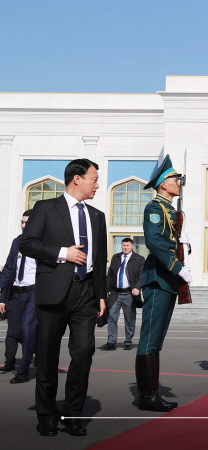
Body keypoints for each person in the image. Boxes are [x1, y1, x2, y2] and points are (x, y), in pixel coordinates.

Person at [19, 158, 108, 437]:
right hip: (54, 292)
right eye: (94, 178)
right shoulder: (45, 208)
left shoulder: (97, 216)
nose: (97, 184)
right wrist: (63, 253)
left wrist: (101, 295)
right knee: (47, 356)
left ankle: (72, 414)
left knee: (83, 354)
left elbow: (100, 258)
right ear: (77, 179)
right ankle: (46, 416)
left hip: (86, 294)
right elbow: (28, 243)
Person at [135, 155, 192, 412]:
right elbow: (155, 242)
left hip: (167, 279)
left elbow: (169, 241)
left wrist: (182, 244)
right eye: (174, 179)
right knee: (149, 339)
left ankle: (153, 392)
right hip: (158, 277)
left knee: (157, 339)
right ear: (162, 183)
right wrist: (177, 267)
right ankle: (146, 396)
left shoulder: (171, 209)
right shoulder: (155, 208)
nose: (178, 182)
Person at [0, 210, 38, 383]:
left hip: (34, 292)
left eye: (27, 223)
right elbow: (9, 267)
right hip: (16, 292)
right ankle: (40, 350)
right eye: (22, 222)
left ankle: (22, 371)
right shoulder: (17, 242)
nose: (23, 226)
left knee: (28, 329)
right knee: (14, 331)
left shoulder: (42, 242)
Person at [101, 237, 145, 351]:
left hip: (129, 294)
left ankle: (128, 341)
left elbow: (141, 275)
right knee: (111, 316)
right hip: (115, 293)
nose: (125, 247)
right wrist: (105, 290)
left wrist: (137, 287)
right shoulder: (116, 258)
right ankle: (111, 342)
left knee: (130, 318)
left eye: (127, 245)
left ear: (132, 246)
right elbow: (110, 275)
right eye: (123, 245)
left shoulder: (139, 259)